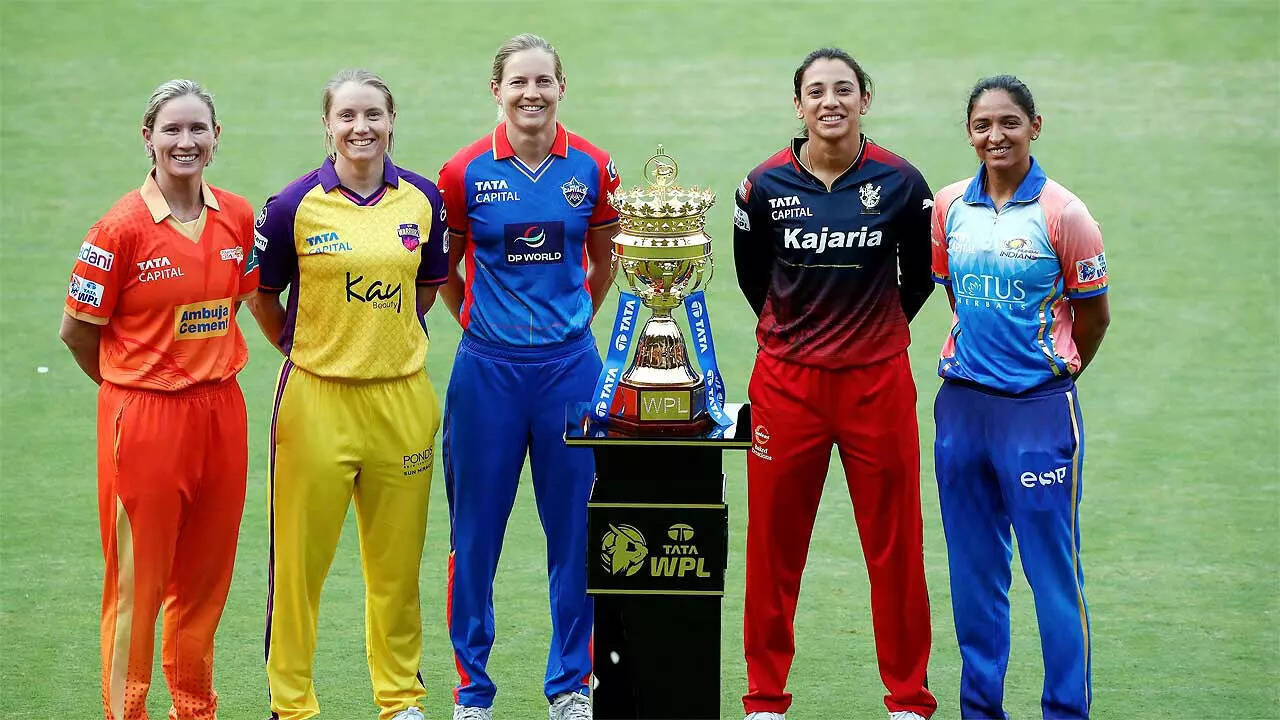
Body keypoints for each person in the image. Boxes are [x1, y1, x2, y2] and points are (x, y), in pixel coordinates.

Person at [732, 48, 937, 720]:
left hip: (876, 383)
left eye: (844, 90)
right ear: (798, 105)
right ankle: (765, 700)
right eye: (816, 91)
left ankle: (908, 700)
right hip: (787, 385)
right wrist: (801, 336)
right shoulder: (762, 186)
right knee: (773, 546)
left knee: (896, 543)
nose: (831, 102)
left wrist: (869, 333)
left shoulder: (902, 182)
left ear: (864, 100)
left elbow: (918, 279)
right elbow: (754, 279)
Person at [246, 69, 448, 720]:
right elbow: (262, 295)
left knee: (397, 570)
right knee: (298, 570)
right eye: (348, 116)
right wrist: (308, 346)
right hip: (316, 402)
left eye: (373, 115)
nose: (361, 128)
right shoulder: (292, 206)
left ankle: (400, 700)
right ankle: (292, 706)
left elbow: (427, 288)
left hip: (401, 401)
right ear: (327, 125)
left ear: (392, 121)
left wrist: (383, 341)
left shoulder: (423, 199)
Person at [435, 32, 620, 720]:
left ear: (562, 88)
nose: (531, 93)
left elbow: (603, 261)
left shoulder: (593, 166)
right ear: (497, 91)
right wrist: (484, 325)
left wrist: (569, 323)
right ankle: (472, 692)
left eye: (543, 81)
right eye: (518, 82)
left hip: (570, 373)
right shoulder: (463, 171)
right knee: (474, 537)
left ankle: (570, 686)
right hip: (487, 374)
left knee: (577, 534)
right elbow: (446, 270)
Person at [59, 79, 256, 720]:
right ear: (148, 138)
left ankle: (194, 708)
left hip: (221, 411)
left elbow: (236, 303)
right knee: (138, 585)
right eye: (172, 129)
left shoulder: (238, 217)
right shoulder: (117, 229)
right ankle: (128, 712)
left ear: (216, 137)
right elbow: (77, 332)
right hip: (144, 417)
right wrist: (129, 387)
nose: (185, 141)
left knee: (205, 579)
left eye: (198, 128)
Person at [930, 75, 1110, 720]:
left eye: (1009, 122)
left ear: (1035, 126)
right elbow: (956, 298)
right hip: (961, 410)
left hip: (1037, 414)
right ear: (969, 133)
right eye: (982, 125)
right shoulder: (947, 206)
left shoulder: (1066, 214)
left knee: (1052, 574)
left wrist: (1048, 374)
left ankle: (1065, 711)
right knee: (973, 576)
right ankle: (980, 711)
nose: (996, 136)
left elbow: (1094, 318)